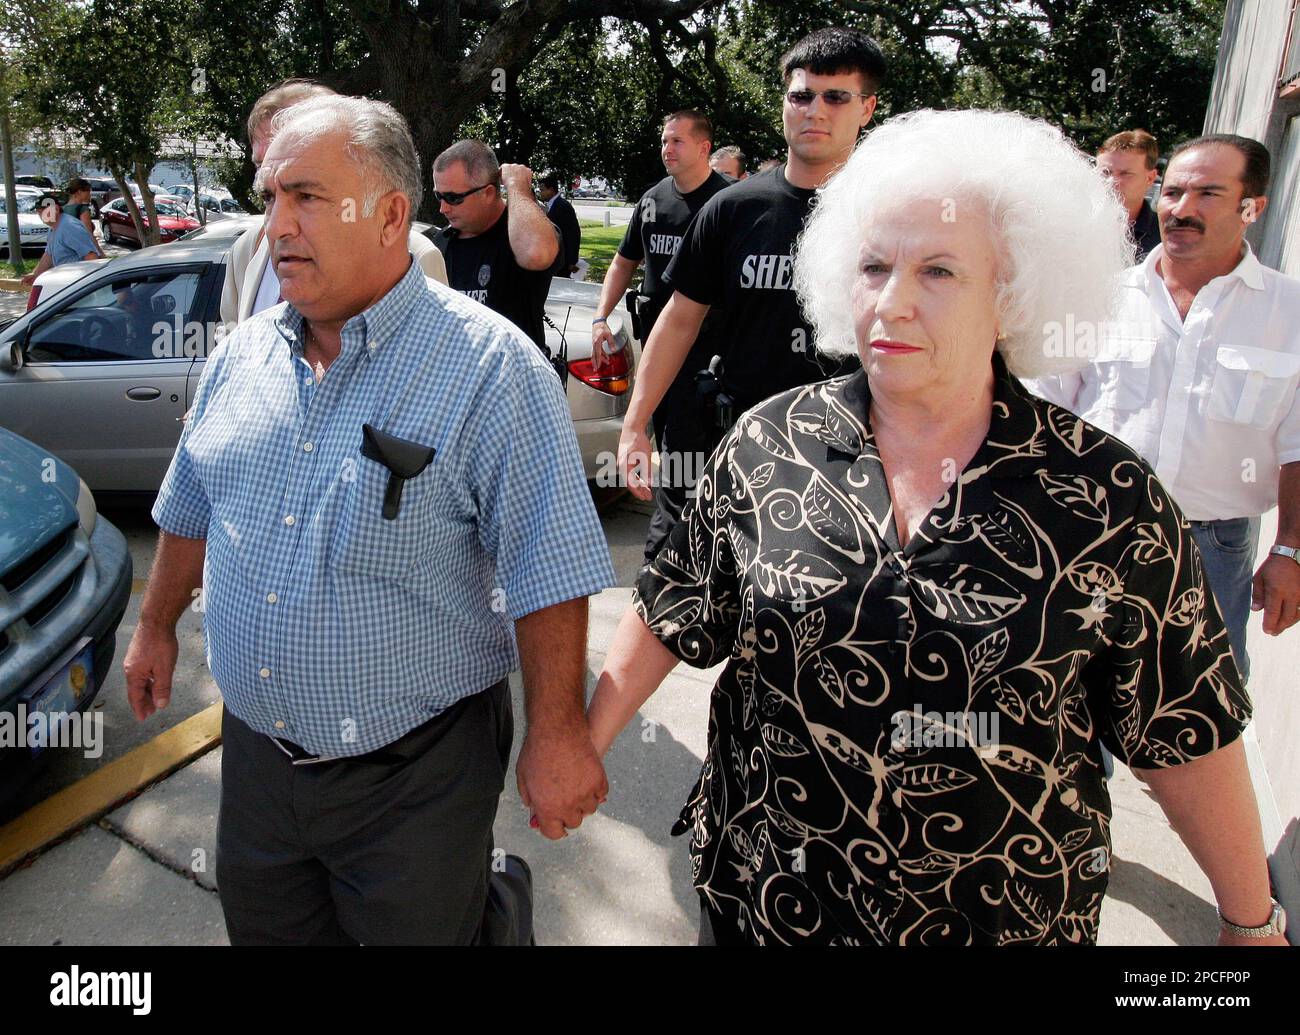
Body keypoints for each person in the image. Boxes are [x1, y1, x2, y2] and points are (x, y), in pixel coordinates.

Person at [580, 109, 1287, 947]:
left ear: (1014, 293)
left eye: (941, 271)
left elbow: (1184, 730)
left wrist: (1251, 920)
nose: (894, 302)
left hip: (1003, 914)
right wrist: (578, 747)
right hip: (769, 899)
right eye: (874, 265)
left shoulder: (1104, 497)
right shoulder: (772, 443)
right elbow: (675, 608)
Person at [123, 94, 615, 945]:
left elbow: (549, 565)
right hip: (258, 769)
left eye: (306, 197)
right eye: (271, 195)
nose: (276, 225)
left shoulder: (492, 370)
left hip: (414, 777)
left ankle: (499, 913)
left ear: (392, 215)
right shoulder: (241, 356)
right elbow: (191, 501)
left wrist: (558, 735)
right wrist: (155, 625)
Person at [1032, 133, 1300, 685]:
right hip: (1089, 537)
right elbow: (1043, 418)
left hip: (1213, 549)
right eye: (1173, 191)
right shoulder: (1097, 299)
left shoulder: (1288, 314)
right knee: (1069, 704)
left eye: (1208, 194)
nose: (1180, 209)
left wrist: (1290, 551)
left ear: (1252, 207)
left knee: (1201, 712)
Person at [614, 27, 885, 549]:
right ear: (784, 102)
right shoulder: (735, 208)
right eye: (801, 95)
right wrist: (635, 423)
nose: (815, 111)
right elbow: (679, 318)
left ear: (866, 108)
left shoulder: (889, 213)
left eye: (836, 97)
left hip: (850, 454)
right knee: (674, 583)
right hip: (734, 441)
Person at [592, 109, 732, 561]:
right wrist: (600, 317)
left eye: (677, 141)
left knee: (700, 452)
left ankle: (679, 545)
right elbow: (623, 261)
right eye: (664, 140)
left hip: (710, 358)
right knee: (671, 446)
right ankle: (681, 537)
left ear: (704, 147)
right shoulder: (653, 200)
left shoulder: (728, 203)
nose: (666, 149)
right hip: (658, 350)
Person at [220, 79, 447, 327]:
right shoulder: (247, 249)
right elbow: (229, 336)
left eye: (307, 195)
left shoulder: (415, 255)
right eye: (260, 163)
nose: (270, 173)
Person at [426, 141, 563, 354]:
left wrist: (517, 186)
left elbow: (536, 254)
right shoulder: (442, 243)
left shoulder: (522, 234)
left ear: (489, 193)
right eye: (439, 196)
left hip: (511, 377)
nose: (443, 208)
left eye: (453, 198)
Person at [1096, 129, 1162, 261]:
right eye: (1106, 172)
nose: (1112, 181)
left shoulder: (1165, 237)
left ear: (1150, 178)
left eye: (1125, 174)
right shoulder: (1074, 225)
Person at [21, 197, 100, 285]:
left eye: (44, 211)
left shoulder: (70, 227)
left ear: (56, 209)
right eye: (39, 212)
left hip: (77, 284)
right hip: (65, 283)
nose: (41, 215)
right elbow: (48, 255)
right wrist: (35, 275)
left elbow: (91, 257)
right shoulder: (54, 228)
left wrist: (88, 285)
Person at [537, 171, 581, 277]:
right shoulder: (549, 206)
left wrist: (572, 261)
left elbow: (573, 234)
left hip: (562, 261)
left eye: (542, 190)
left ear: (551, 190)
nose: (540, 193)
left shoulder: (563, 206)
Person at [64, 177, 104, 256]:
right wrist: (101, 254)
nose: (90, 194)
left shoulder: (64, 209)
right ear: (79, 192)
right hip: (83, 253)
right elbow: (88, 235)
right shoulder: (82, 209)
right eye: (88, 191)